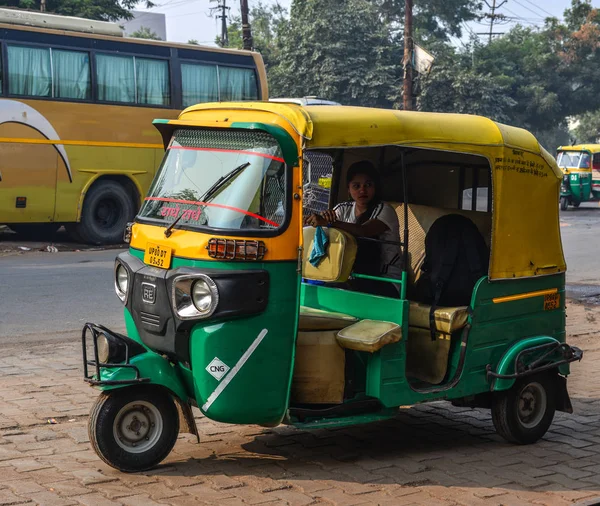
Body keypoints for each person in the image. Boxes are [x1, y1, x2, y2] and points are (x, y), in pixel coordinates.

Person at [305, 161, 402, 297]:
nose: (362, 190)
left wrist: (330, 223)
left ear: (375, 188)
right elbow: (328, 224)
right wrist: (321, 219)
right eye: (356, 186)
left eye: (368, 185)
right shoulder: (343, 208)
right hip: (351, 278)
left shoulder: (385, 210)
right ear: (349, 190)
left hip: (385, 281)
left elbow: (364, 231)